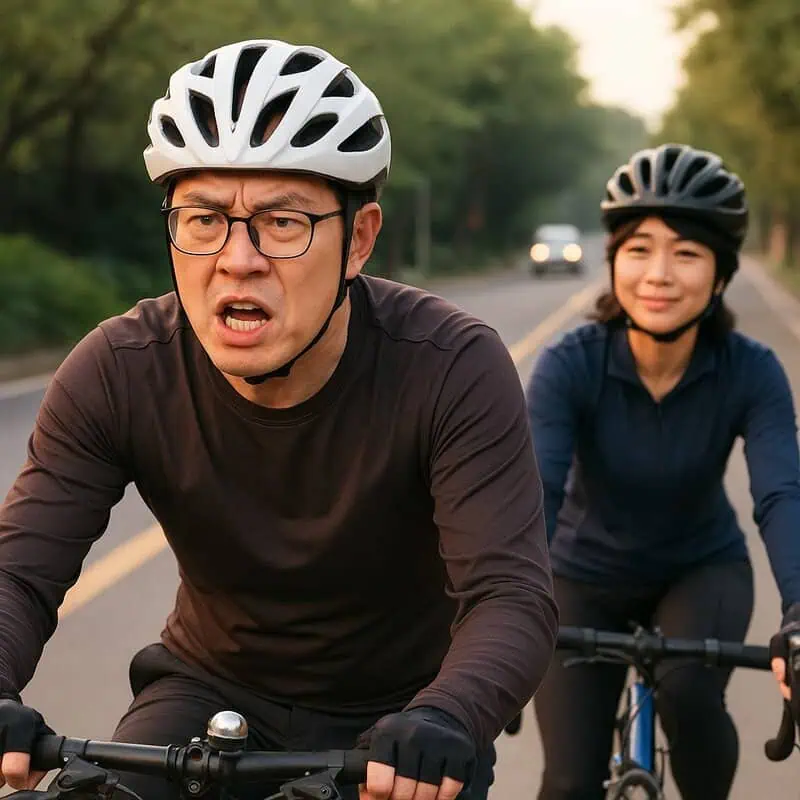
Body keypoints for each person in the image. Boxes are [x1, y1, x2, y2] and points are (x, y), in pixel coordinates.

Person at [0, 39, 558, 800]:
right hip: (205, 690)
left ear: (358, 239)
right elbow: (19, 574)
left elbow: (509, 595)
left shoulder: (451, 365)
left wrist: (450, 716)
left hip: (402, 723)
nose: (237, 259)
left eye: (283, 222)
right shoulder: (120, 368)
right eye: (202, 218)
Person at [526, 142, 800, 800]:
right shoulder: (570, 364)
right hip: (579, 572)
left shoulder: (752, 370)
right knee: (567, 780)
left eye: (686, 252)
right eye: (640, 248)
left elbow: (780, 493)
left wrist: (798, 611)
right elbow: (537, 489)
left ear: (721, 274)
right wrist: (501, 599)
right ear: (614, 260)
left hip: (699, 569)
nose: (659, 274)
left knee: (691, 697)